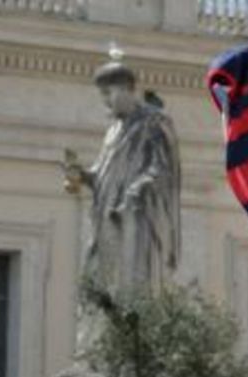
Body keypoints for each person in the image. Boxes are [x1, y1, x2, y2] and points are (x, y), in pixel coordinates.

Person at [62, 55, 181, 294]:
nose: (106, 102)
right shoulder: (114, 130)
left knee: (131, 282)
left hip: (135, 214)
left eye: (109, 93)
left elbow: (162, 168)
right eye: (102, 95)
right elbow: (103, 174)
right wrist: (82, 175)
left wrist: (137, 190)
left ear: (127, 89)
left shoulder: (153, 121)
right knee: (103, 282)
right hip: (106, 216)